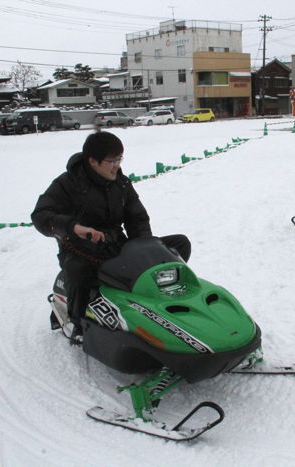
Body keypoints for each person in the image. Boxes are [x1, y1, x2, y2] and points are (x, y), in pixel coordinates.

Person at [31, 131, 191, 343]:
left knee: (179, 244)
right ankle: (79, 325)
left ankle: (160, 302)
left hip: (116, 247)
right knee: (77, 270)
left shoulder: (121, 183)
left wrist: (145, 250)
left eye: (119, 159)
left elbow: (137, 218)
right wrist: (73, 227)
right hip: (81, 251)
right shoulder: (66, 184)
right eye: (112, 161)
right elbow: (41, 215)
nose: (117, 165)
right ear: (92, 161)